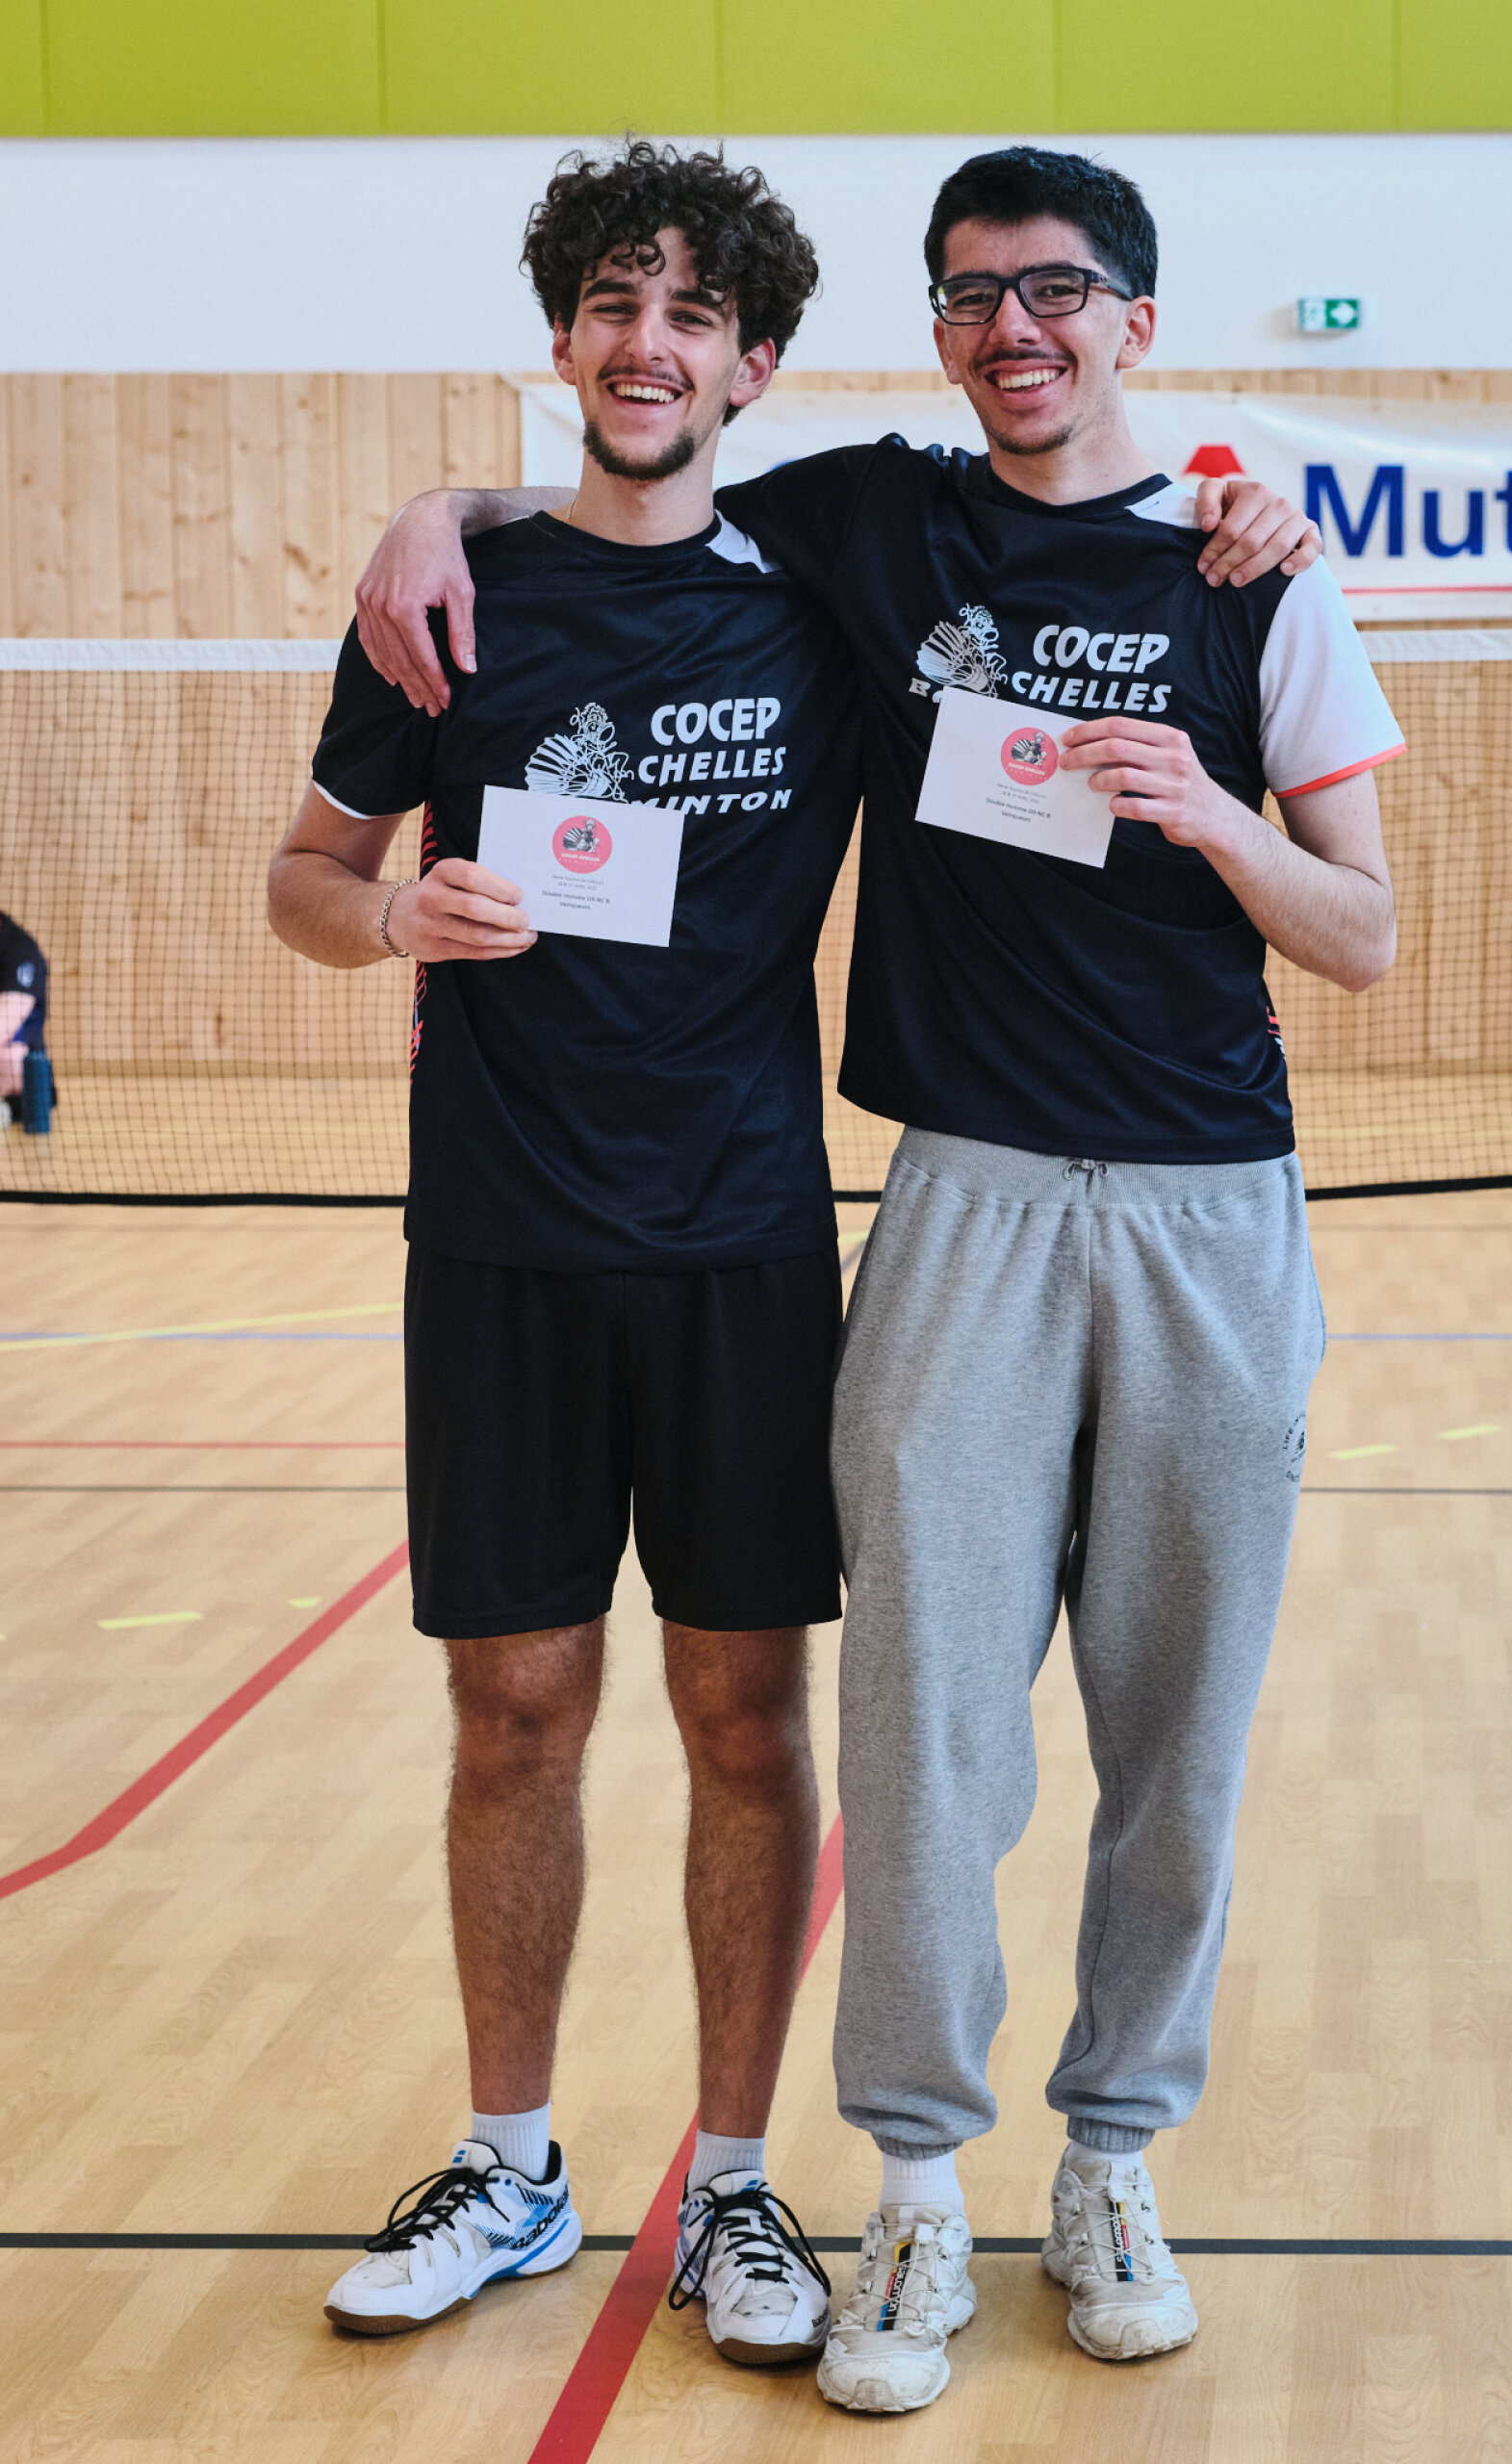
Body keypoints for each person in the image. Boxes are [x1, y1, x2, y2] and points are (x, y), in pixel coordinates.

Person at [351, 146, 1349, 2414]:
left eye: (1059, 290)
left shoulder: (1230, 569)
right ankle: (870, 2182)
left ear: (1135, 318)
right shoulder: (871, 530)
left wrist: (1216, 780)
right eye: (977, 293)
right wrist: (439, 506)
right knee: (891, 1733)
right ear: (928, 328)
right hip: (902, 1203)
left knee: (1124, 1734)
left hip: (1121, 1208)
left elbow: (1367, 924)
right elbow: (625, 494)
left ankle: (1060, 2160)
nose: (1018, 326)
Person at [269, 143, 860, 2365]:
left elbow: (1044, 514)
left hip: (741, 1245)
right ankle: (511, 2162)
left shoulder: (821, 598)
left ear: (755, 360)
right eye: (618, 301)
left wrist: (1245, 521)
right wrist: (391, 913)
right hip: (503, 1243)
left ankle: (734, 2183)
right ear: (563, 335)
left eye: (695, 311)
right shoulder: (448, 604)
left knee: (741, 1716)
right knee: (513, 1710)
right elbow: (305, 873)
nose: (650, 342)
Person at [0, 910, 48, 1122]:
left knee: (11, 1057)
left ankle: (11, 1107)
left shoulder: (18, 948)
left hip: (20, 1061)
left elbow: (4, 1026)